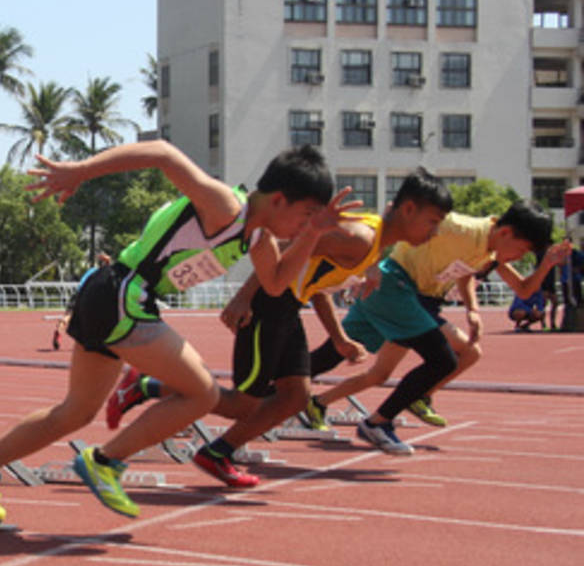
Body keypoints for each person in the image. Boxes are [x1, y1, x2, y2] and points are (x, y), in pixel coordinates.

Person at [0, 140, 357, 520]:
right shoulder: (224, 205)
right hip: (123, 294)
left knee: (76, 411)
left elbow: (276, 283)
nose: (302, 228)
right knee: (203, 392)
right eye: (304, 216)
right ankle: (104, 462)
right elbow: (162, 153)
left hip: (110, 296)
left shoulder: (258, 240)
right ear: (280, 199)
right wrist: (80, 171)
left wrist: (314, 235)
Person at [107, 168, 451, 485]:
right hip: (268, 303)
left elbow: (313, 283)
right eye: (432, 222)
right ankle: (147, 386)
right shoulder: (359, 238)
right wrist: (244, 296)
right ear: (407, 210)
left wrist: (338, 337)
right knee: (244, 404)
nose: (435, 233)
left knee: (295, 397)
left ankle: (217, 452)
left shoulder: (373, 246)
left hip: (288, 306)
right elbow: (280, 247)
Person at [304, 200, 570, 453]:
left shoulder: (489, 251)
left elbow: (521, 289)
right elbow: (393, 212)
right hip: (395, 285)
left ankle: (284, 393)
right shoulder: (458, 227)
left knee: (347, 355)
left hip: (416, 300)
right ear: (506, 232)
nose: (519, 257)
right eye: (522, 250)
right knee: (445, 359)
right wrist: (372, 265)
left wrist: (474, 309)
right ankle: (379, 420)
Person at [53, 253, 111, 350]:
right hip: (89, 296)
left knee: (68, 315)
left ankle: (59, 330)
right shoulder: (102, 273)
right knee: (93, 318)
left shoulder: (91, 271)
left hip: (78, 293)